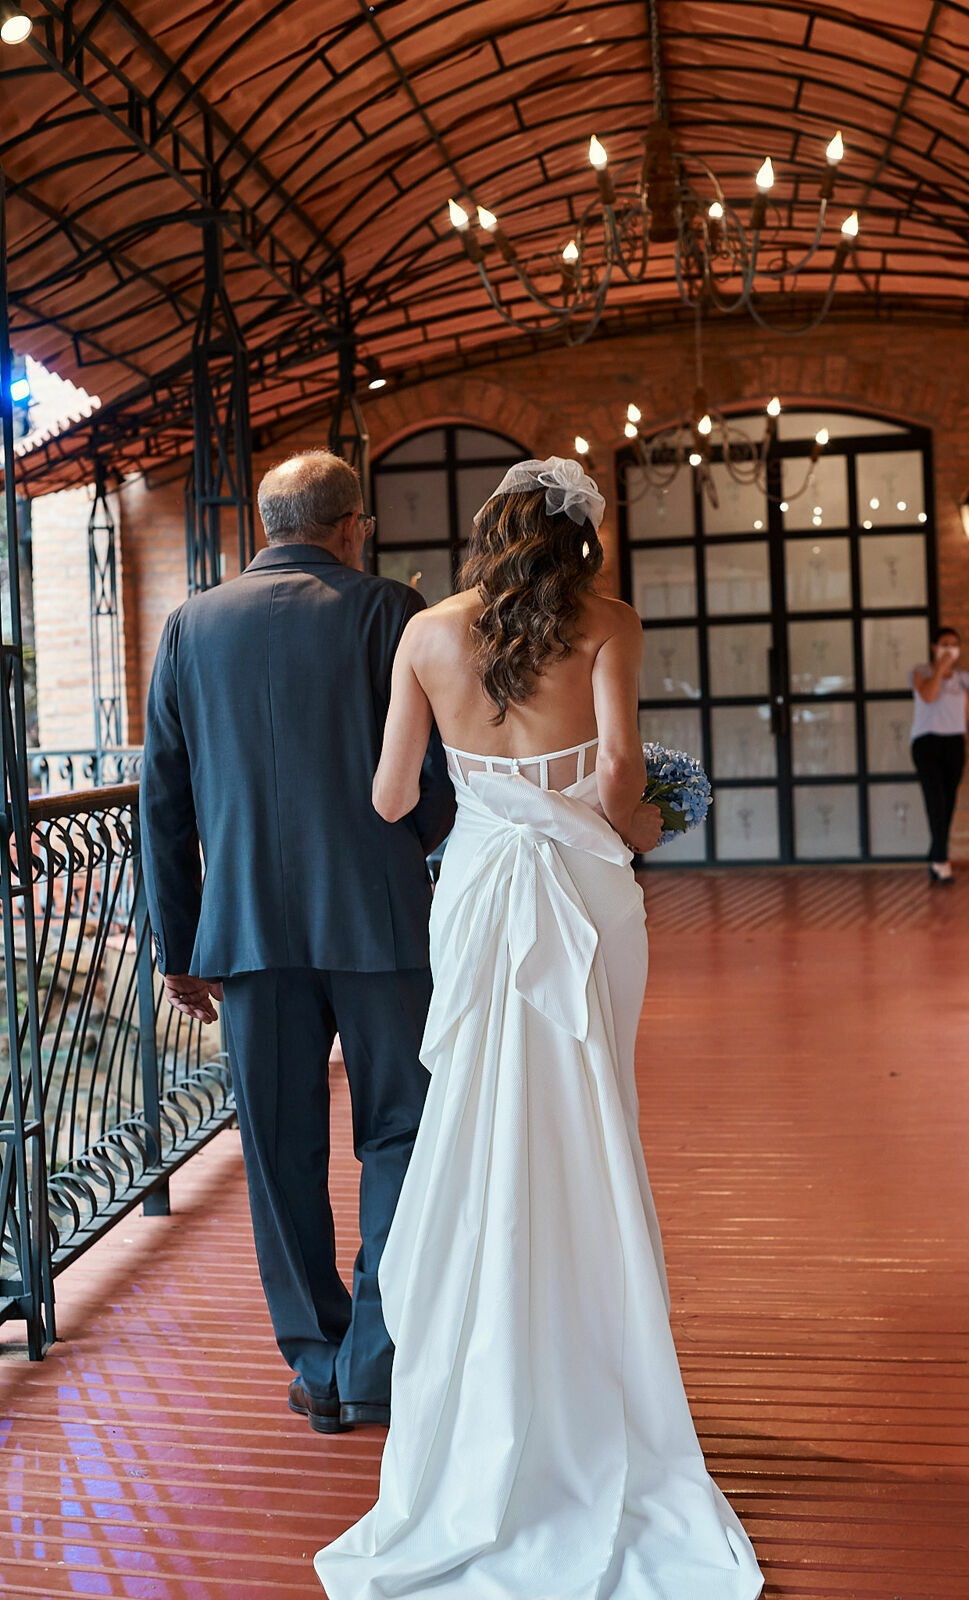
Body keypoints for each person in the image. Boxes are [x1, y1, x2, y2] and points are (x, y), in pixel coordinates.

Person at [314, 458, 763, 1599]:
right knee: (588, 1114)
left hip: (475, 893)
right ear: (582, 542)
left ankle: (486, 1374)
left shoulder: (425, 634)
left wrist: (489, 804)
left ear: (486, 531)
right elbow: (617, 776)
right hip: (582, 889)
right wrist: (632, 826)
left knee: (476, 1118)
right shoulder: (608, 621)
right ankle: (588, 1369)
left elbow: (387, 796)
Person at [139, 450, 455, 1435]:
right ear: (349, 525)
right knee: (401, 1130)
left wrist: (182, 944)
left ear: (268, 525)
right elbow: (435, 782)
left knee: (277, 1152)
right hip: (379, 922)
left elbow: (163, 798)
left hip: (246, 937)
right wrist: (417, 848)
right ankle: (374, 1353)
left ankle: (317, 1363)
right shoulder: (389, 611)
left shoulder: (190, 626)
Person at [910, 625, 969, 883]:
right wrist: (941, 668)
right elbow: (929, 697)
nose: (949, 648)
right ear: (934, 646)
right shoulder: (921, 673)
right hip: (927, 743)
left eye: (954, 644)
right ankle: (942, 861)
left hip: (954, 743)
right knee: (935, 800)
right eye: (944, 643)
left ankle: (936, 856)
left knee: (949, 801)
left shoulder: (962, 679)